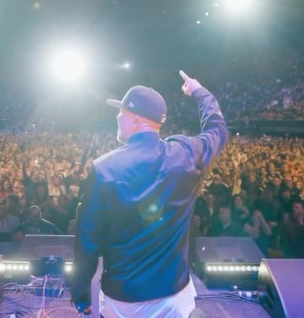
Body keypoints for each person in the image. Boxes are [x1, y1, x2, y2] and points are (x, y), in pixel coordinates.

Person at [71, 70, 228, 317]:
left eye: (121, 112)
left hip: (123, 300)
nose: (117, 117)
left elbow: (87, 243)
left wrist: (81, 295)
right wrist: (200, 92)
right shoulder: (186, 156)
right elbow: (217, 128)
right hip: (174, 295)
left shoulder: (104, 169)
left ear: (135, 119)